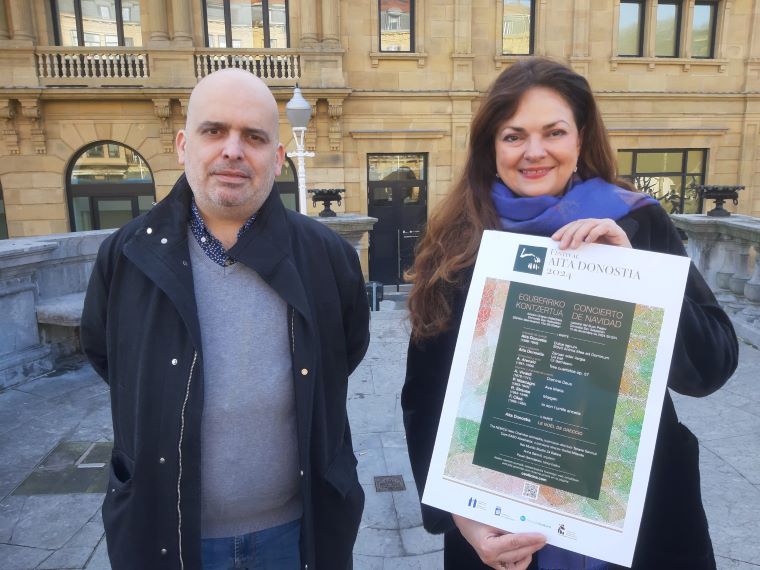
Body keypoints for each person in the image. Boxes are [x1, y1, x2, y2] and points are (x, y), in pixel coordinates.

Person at [401, 57, 738, 570]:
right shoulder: (459, 246)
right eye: (514, 136)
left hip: (638, 519)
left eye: (553, 132)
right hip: (501, 522)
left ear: (580, 140)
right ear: (491, 149)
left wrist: (638, 276)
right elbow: (424, 396)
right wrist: (457, 514)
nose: (534, 152)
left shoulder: (636, 222)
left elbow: (711, 365)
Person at [81, 69, 370, 570]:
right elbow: (108, 356)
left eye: (254, 137)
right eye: (214, 131)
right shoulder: (126, 255)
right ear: (181, 145)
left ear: (278, 159)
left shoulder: (326, 256)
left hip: (298, 535)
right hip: (166, 533)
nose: (233, 150)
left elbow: (346, 350)